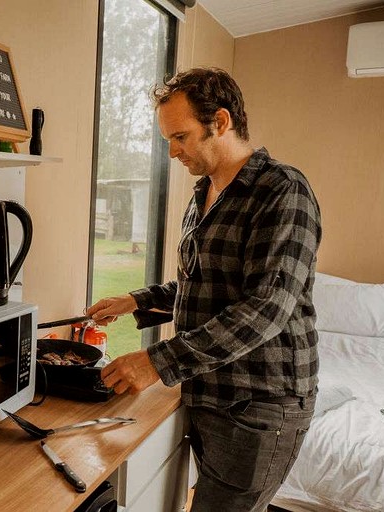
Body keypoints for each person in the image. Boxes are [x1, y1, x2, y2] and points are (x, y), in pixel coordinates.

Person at [86, 67, 322, 512]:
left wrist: (157, 360)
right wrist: (137, 300)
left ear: (222, 122)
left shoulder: (282, 191)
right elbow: (205, 286)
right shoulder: (205, 193)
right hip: (211, 392)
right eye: (168, 141)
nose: (173, 152)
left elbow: (265, 308)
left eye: (181, 137)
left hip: (260, 404)